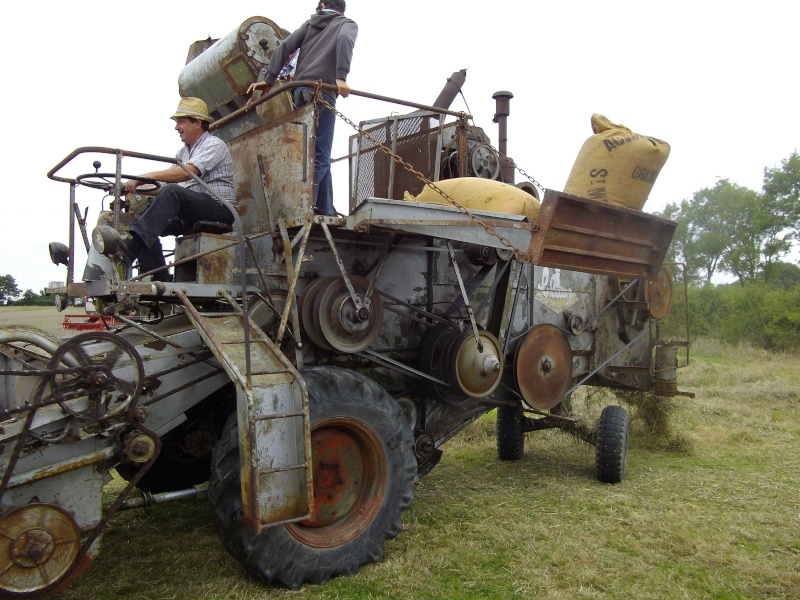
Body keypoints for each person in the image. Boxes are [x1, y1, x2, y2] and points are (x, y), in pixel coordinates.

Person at [247, 1, 358, 216]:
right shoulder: (346, 23)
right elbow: (344, 40)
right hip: (321, 92)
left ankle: (325, 208)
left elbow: (284, 47)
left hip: (299, 91)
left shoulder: (309, 25)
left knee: (312, 151)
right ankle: (303, 206)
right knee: (321, 154)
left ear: (322, 5)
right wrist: (341, 77)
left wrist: (269, 80)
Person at [118, 97, 236, 281]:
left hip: (220, 208)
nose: (176, 127)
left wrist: (148, 175)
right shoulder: (182, 153)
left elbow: (187, 174)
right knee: (145, 220)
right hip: (193, 210)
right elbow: (163, 187)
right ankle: (158, 278)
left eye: (181, 121)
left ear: (197, 123)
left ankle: (129, 249)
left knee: (172, 194)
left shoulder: (214, 144)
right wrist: (131, 187)